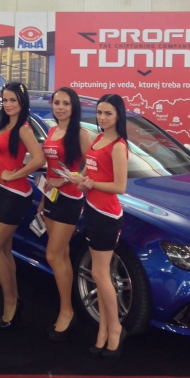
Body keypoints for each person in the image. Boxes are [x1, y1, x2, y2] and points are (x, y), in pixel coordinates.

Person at [70, 93, 128, 358]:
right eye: (100, 112)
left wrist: (92, 184)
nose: (102, 117)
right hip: (92, 210)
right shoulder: (97, 139)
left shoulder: (118, 145)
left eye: (108, 113)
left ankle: (115, 328)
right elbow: (89, 173)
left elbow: (120, 186)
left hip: (107, 215)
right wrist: (79, 179)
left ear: (118, 115)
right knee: (98, 273)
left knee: (101, 274)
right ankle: (103, 329)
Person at [0, 82, 45, 329]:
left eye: (13, 100)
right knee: (5, 249)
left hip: (16, 194)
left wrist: (14, 174)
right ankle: (15, 298)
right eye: (5, 100)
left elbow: (39, 159)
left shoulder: (23, 128)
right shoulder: (4, 125)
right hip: (2, 193)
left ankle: (10, 302)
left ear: (22, 102)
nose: (8, 104)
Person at [40, 87, 92, 341]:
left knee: (53, 255)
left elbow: (92, 166)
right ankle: (69, 306)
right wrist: (43, 198)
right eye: (57, 102)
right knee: (61, 255)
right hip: (51, 198)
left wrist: (66, 180)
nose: (60, 107)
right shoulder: (52, 131)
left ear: (74, 107)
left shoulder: (81, 134)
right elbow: (50, 169)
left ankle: (66, 311)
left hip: (70, 200)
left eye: (66, 103)